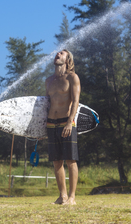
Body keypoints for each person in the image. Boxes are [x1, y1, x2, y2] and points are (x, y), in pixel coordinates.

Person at [45, 49, 80, 205]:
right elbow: (46, 104)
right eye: (57, 53)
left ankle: (72, 197)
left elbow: (76, 101)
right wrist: (41, 127)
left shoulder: (72, 77)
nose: (57, 54)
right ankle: (62, 196)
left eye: (62, 53)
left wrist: (69, 122)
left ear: (68, 59)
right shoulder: (48, 81)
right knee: (56, 161)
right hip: (52, 122)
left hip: (67, 121)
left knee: (71, 160)